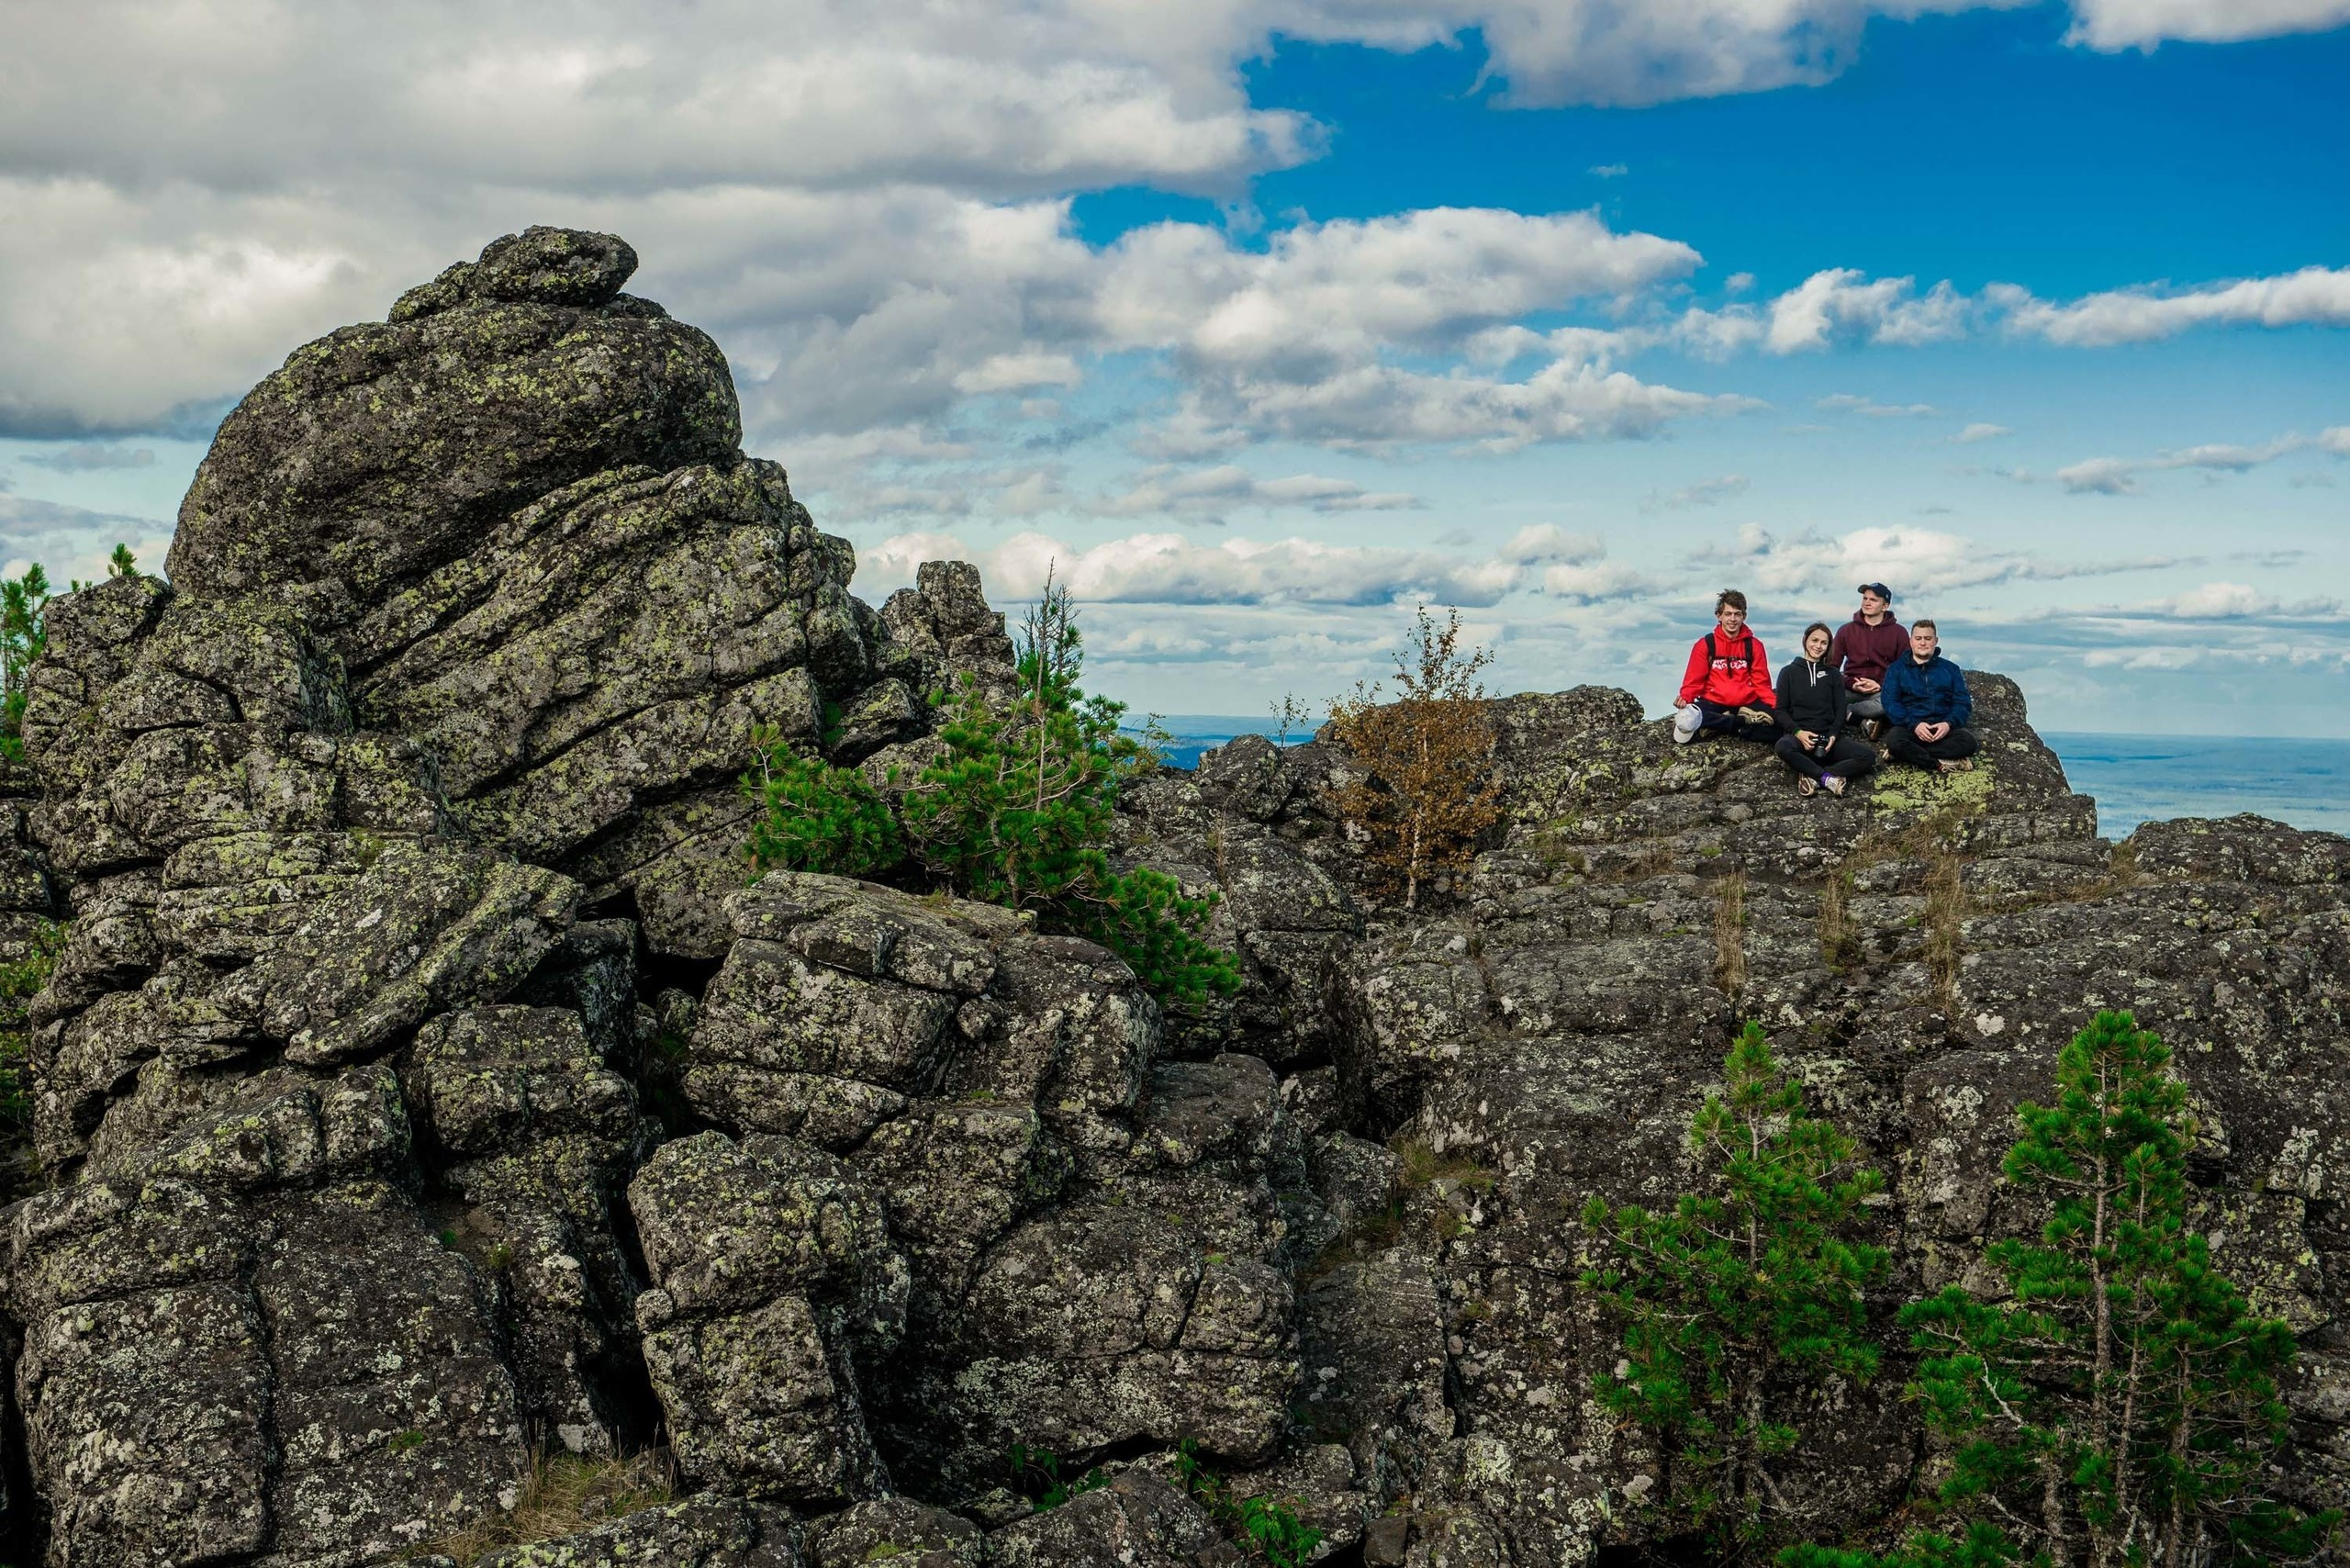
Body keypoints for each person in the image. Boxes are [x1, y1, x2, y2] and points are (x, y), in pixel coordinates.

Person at [1774, 622, 1878, 797]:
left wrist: (1833, 735)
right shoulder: (1788, 672)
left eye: (1824, 643)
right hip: (1800, 738)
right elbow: (1781, 711)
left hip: (1828, 740)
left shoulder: (1833, 674)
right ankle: (1827, 778)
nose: (1818, 646)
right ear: (1805, 640)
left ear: (1829, 646)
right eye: (1814, 640)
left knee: (1868, 757)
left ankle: (1814, 776)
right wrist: (1798, 732)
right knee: (1782, 747)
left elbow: (1840, 709)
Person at [1673, 589, 1777, 745]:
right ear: (1719, 616)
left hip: (1747, 705)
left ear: (1744, 617)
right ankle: (1739, 723)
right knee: (1689, 716)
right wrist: (1685, 698)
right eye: (1728, 614)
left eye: (1737, 614)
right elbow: (1694, 681)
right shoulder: (1706, 645)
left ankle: (1718, 724)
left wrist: (1776, 705)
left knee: (1778, 725)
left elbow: (1761, 684)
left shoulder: (1754, 646)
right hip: (1713, 704)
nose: (1733, 619)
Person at [1882, 618, 1982, 773]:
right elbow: (1891, 703)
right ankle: (1937, 764)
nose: (1923, 643)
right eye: (1918, 638)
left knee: (1969, 743)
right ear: (1911, 641)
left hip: (1942, 729)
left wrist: (1948, 723)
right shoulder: (1896, 669)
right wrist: (1914, 724)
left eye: (1928, 638)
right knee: (1894, 741)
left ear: (1935, 641)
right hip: (1911, 728)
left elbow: (1962, 702)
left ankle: (1908, 754)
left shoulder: (1951, 669)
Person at [1828, 581, 1906, 740]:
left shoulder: (1899, 633)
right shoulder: (1846, 630)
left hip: (1881, 692)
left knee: (1891, 705)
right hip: (1851, 688)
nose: (1867, 602)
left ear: (1885, 606)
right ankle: (1864, 720)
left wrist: (1881, 685)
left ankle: (1847, 712)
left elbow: (1905, 670)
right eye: (1865, 598)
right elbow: (1832, 667)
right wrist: (1851, 683)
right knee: (1820, 698)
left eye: (1873, 600)